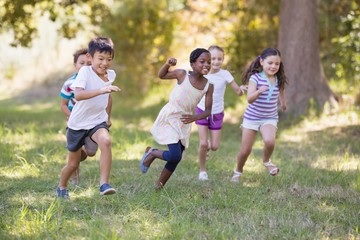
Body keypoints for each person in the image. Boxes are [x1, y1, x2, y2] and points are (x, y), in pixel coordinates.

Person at [139, 48, 214, 189]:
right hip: (171, 116)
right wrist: (167, 64)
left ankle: (158, 186)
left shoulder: (209, 86)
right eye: (202, 61)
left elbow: (208, 110)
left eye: (209, 62)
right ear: (192, 64)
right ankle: (153, 153)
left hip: (185, 120)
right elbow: (161, 75)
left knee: (176, 157)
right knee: (175, 155)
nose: (206, 64)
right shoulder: (182, 74)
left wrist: (195, 117)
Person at [56, 37, 121, 199]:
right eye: (100, 59)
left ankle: (104, 184)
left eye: (109, 59)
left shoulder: (110, 75)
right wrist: (101, 90)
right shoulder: (85, 72)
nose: (105, 63)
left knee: (106, 141)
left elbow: (108, 97)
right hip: (77, 124)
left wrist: (107, 117)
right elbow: (78, 95)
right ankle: (62, 186)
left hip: (97, 121)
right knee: (72, 164)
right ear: (89, 58)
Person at [231, 47, 288, 182]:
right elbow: (249, 99)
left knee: (269, 141)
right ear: (261, 62)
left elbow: (282, 91)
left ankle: (267, 161)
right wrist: (258, 91)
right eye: (270, 63)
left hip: (269, 117)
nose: (274, 66)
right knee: (245, 151)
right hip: (251, 118)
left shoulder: (278, 79)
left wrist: (283, 103)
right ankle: (238, 171)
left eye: (277, 64)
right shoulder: (255, 79)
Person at [195, 45, 247, 181]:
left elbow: (238, 91)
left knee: (215, 146)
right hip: (202, 111)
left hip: (217, 113)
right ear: (207, 59)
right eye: (213, 58)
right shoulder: (202, 73)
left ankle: (206, 149)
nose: (216, 61)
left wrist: (242, 89)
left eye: (220, 59)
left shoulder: (225, 74)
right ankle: (202, 171)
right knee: (203, 143)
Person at [59, 48, 98, 186]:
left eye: (88, 63)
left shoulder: (95, 82)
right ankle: (75, 180)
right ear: (75, 65)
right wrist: (71, 116)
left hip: (91, 122)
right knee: (73, 160)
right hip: (74, 123)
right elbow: (63, 104)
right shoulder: (69, 84)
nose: (85, 66)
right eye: (81, 63)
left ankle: (81, 149)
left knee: (91, 151)